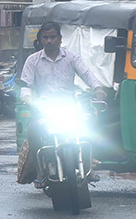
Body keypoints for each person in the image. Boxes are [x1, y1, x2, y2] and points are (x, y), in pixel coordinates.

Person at [17, 22, 110, 185]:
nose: (49, 41)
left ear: (60, 39)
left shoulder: (71, 58)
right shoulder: (33, 61)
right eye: (45, 37)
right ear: (41, 39)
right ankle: (40, 171)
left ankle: (87, 166)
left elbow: (87, 74)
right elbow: (26, 86)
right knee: (33, 130)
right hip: (45, 108)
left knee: (91, 123)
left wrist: (98, 88)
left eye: (53, 37)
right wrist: (27, 97)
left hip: (69, 105)